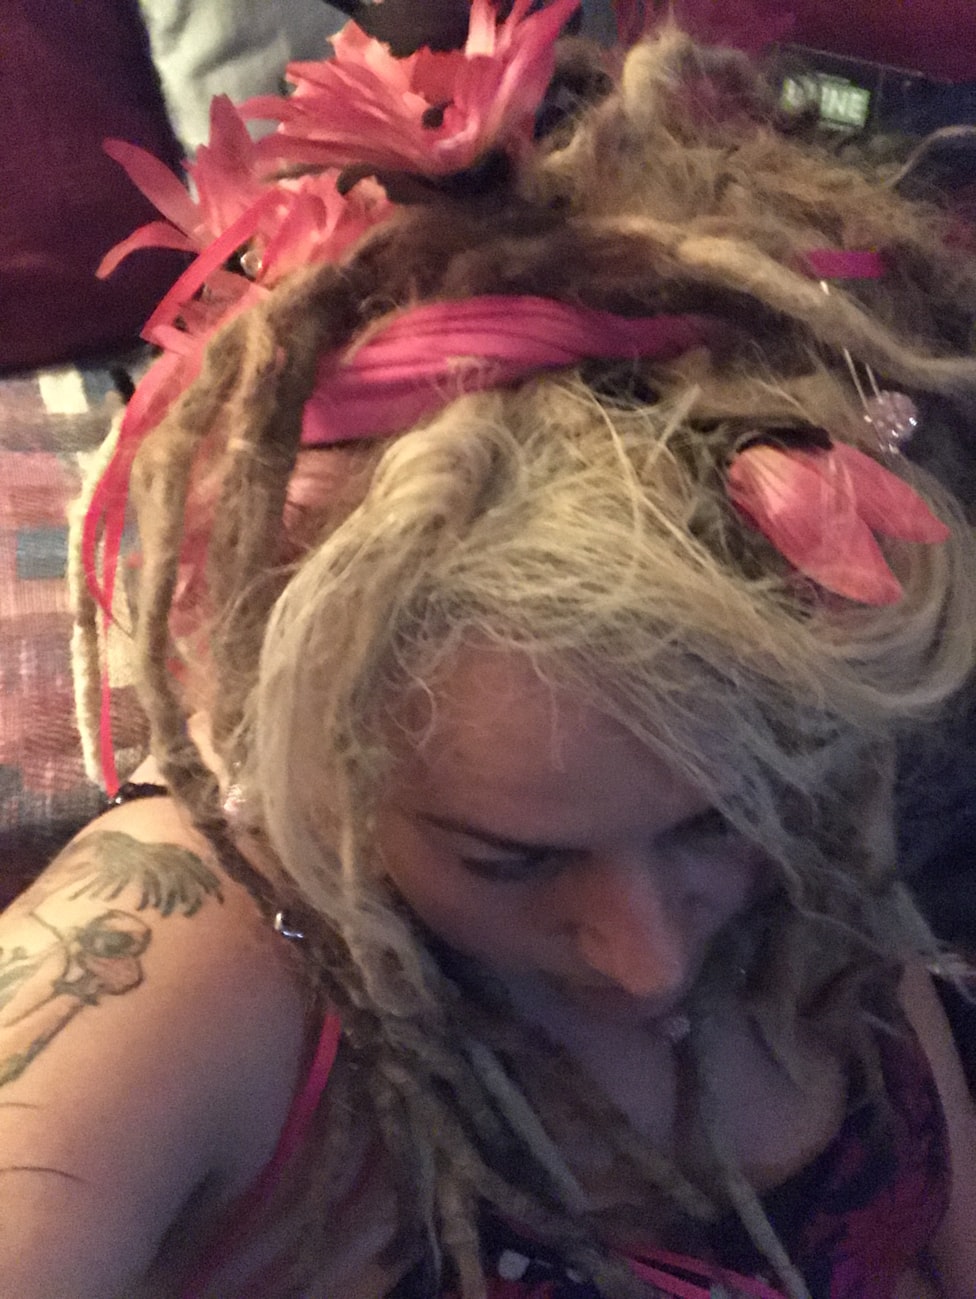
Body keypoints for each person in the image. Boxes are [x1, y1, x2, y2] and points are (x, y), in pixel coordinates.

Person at [1, 3, 975, 1297]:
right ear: (317, 757)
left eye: (715, 824)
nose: (648, 957)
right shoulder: (198, 950)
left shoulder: (828, 857)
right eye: (509, 861)